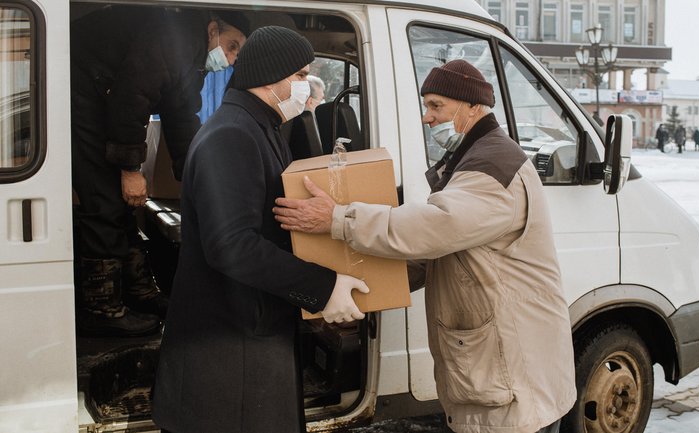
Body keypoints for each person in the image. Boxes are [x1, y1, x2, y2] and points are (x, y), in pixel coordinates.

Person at [275, 59, 576, 433]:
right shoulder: (475, 156)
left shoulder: (492, 167)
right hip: (501, 372)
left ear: (472, 107)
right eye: (426, 106)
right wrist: (353, 288)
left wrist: (337, 219)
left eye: (436, 106)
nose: (427, 117)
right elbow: (440, 253)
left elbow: (432, 228)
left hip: (513, 379)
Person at [151, 26, 368, 433]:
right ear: (273, 76)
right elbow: (231, 245)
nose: (307, 86)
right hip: (227, 358)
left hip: (246, 340)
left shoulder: (257, 126)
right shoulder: (231, 135)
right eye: (301, 76)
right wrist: (322, 287)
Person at [70, 6, 250, 336]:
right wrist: (129, 169)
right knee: (105, 200)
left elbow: (182, 116)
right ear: (212, 29)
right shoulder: (175, 38)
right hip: (83, 86)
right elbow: (131, 98)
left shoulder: (191, 52)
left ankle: (138, 292)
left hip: (106, 93)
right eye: (232, 45)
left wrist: (198, 177)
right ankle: (101, 309)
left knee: (126, 204)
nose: (232, 58)